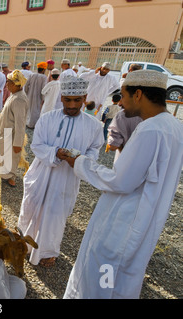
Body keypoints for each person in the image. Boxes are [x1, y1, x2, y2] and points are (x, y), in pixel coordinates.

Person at [63, 70, 183, 299]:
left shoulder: (151, 129)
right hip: (143, 219)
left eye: (124, 96)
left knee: (102, 274)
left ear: (138, 94)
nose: (121, 103)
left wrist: (79, 162)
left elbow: (121, 180)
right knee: (122, 279)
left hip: (124, 222)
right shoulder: (173, 126)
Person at [17, 76, 104, 268]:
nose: (72, 105)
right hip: (41, 174)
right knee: (32, 207)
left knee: (56, 215)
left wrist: (80, 161)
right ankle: (25, 244)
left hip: (66, 178)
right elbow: (37, 145)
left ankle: (47, 251)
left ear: (84, 98)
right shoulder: (47, 118)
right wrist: (55, 152)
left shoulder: (95, 125)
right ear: (61, 98)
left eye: (77, 100)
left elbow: (94, 151)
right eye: (68, 100)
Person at [0, 70, 29, 187]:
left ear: (16, 84)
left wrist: (18, 143)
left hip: (11, 134)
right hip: (4, 132)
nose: (7, 85)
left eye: (9, 83)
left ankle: (11, 177)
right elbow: (4, 113)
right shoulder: (13, 96)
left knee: (12, 156)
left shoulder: (19, 100)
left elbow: (20, 123)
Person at [24, 62, 47, 129]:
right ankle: (33, 125)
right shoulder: (44, 77)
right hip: (38, 96)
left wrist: (27, 93)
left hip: (29, 95)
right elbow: (44, 88)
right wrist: (43, 98)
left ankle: (28, 123)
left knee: (29, 109)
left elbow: (26, 85)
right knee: (36, 110)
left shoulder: (32, 75)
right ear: (43, 70)